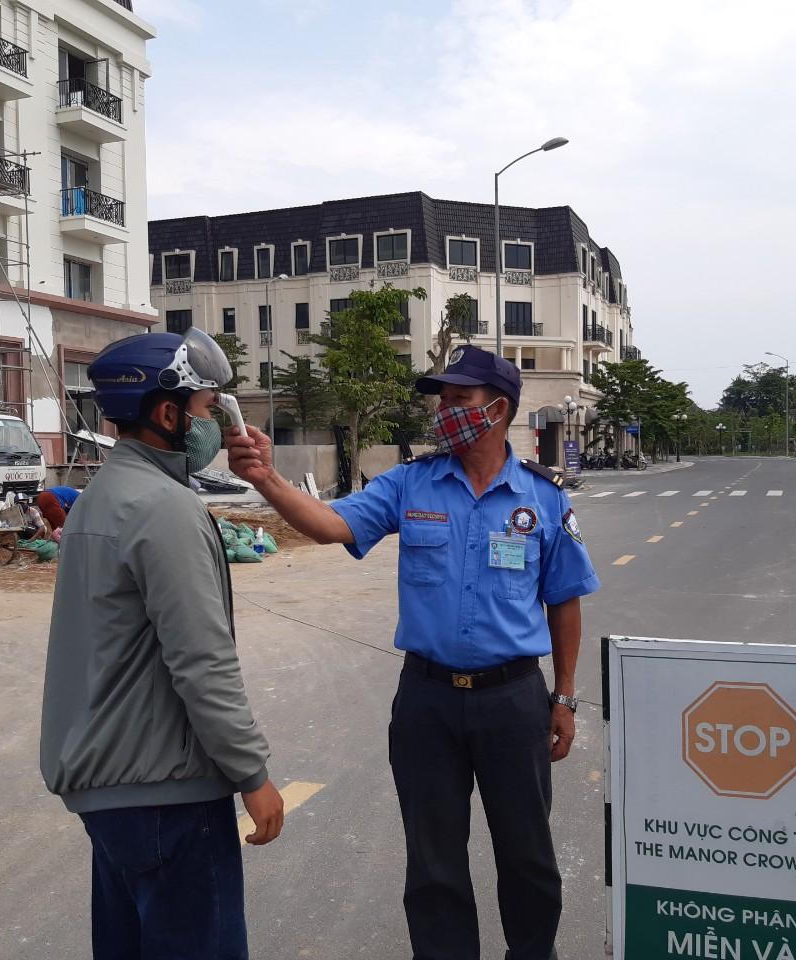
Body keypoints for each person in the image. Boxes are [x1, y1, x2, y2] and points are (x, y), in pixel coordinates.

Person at [227, 345, 600, 960]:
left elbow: (564, 603)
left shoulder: (544, 498)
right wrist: (265, 478)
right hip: (428, 701)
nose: (444, 410)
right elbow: (328, 525)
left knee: (527, 853)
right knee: (433, 862)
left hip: (513, 701)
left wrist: (563, 697)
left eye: (459, 399)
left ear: (498, 409)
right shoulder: (411, 483)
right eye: (441, 399)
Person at [40, 330, 284, 960]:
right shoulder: (163, 508)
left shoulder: (100, 497)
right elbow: (202, 661)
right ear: (168, 414)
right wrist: (252, 773)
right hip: (166, 794)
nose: (213, 425)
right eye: (205, 408)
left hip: (115, 789)